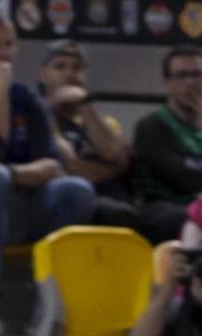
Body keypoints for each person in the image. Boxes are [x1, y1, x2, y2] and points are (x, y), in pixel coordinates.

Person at [0, 10, 95, 336]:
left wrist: (11, 173)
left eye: (8, 45)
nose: (2, 54)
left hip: (20, 207)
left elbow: (52, 166)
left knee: (75, 189)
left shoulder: (26, 99)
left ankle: (47, 305)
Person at [132, 46, 202, 244]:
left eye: (196, 74)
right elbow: (181, 178)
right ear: (166, 84)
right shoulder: (151, 127)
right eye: (182, 75)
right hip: (169, 208)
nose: (190, 82)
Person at [37, 39, 139, 231]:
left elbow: (116, 156)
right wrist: (110, 169)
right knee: (118, 214)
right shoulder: (38, 117)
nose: (69, 74)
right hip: (72, 203)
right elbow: (73, 169)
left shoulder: (103, 121)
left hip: (119, 203)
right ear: (43, 75)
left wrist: (85, 104)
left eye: (77, 68)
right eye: (59, 67)